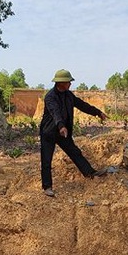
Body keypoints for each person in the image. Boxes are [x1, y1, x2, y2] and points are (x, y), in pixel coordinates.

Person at [39, 69, 108, 197]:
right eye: (68, 82)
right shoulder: (50, 97)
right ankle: (47, 187)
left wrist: (98, 112)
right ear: (60, 83)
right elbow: (55, 113)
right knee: (46, 160)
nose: (70, 84)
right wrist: (61, 126)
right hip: (48, 133)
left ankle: (90, 173)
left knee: (75, 152)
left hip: (63, 133)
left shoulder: (68, 95)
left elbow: (82, 105)